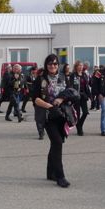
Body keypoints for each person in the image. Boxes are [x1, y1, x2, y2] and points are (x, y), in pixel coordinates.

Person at [32, 54, 70, 188]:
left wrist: (61, 99)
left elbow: (69, 92)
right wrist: (50, 106)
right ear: (46, 65)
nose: (52, 66)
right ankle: (60, 176)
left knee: (56, 143)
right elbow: (35, 99)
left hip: (61, 115)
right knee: (57, 142)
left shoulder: (63, 77)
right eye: (50, 64)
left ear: (58, 65)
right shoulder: (41, 79)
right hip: (48, 116)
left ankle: (50, 172)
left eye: (55, 64)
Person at [69, 60, 91, 136]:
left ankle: (79, 125)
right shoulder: (73, 75)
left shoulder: (84, 75)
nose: (81, 67)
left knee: (85, 112)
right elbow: (71, 87)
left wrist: (90, 96)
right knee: (77, 114)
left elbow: (87, 86)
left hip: (83, 96)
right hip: (76, 97)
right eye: (79, 65)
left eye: (81, 65)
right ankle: (79, 130)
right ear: (76, 67)